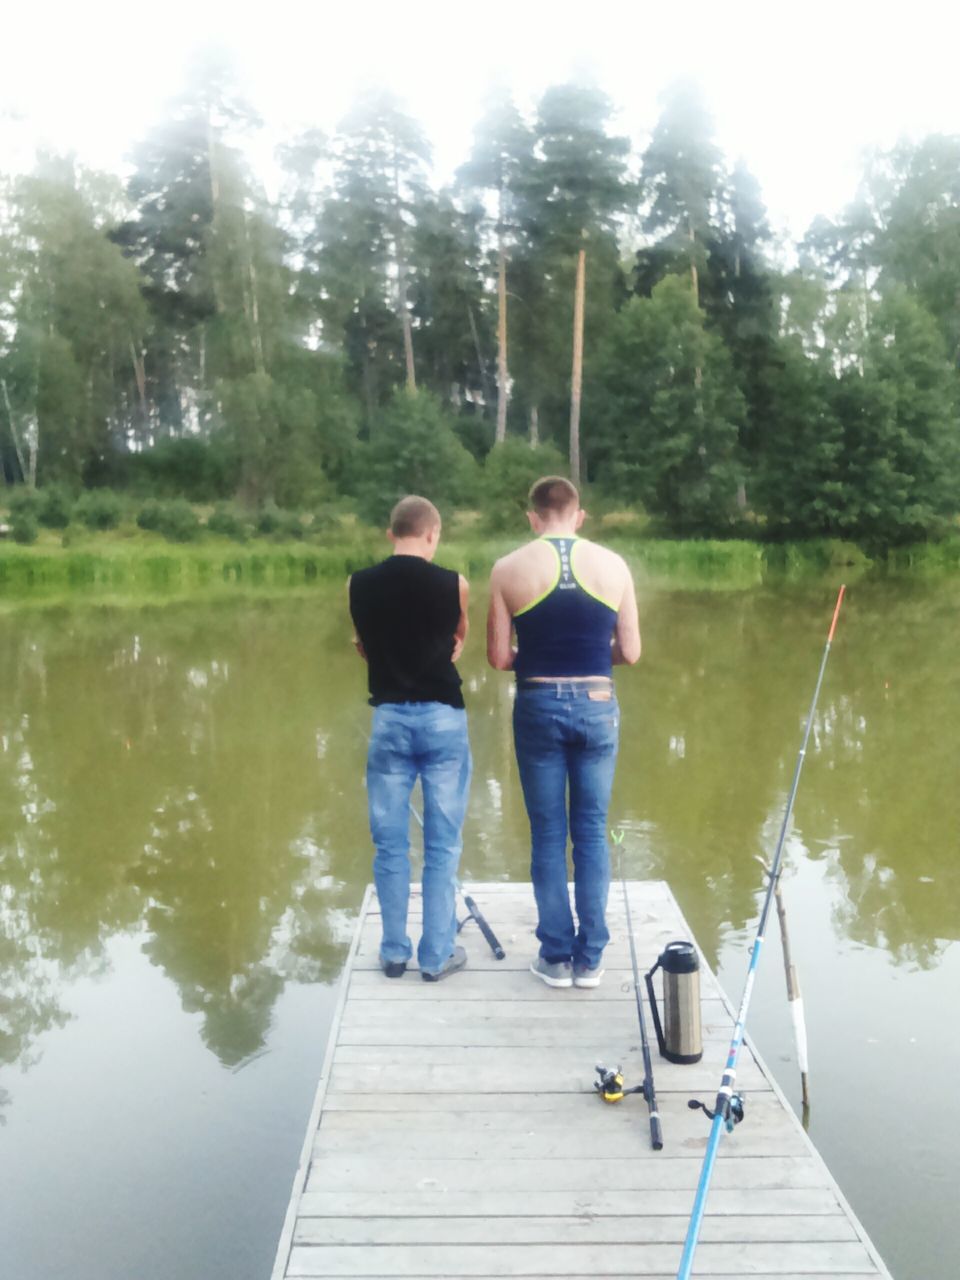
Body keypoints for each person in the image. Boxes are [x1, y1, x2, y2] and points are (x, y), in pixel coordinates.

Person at [486, 476, 641, 989]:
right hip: (598, 702)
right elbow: (632, 651)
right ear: (579, 516)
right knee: (592, 831)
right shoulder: (614, 565)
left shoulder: (508, 569)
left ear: (533, 517)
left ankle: (554, 957)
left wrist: (543, 659)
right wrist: (592, 658)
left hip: (538, 702)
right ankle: (591, 959)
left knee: (549, 834)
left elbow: (498, 657)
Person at [349, 495, 472, 982]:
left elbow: (363, 645)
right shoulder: (454, 584)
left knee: (390, 845)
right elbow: (458, 642)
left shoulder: (357, 584)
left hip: (389, 720)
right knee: (442, 845)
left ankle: (395, 952)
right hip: (443, 717)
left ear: (390, 533)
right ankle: (437, 955)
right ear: (433, 533)